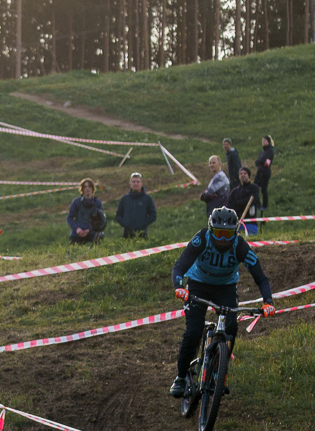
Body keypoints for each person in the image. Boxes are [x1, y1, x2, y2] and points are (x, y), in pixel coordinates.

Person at [168, 207, 274, 398]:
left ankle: (220, 370)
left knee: (231, 328)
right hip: (198, 285)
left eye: (228, 234)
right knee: (193, 332)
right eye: (218, 233)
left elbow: (261, 277)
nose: (223, 239)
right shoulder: (202, 238)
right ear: (211, 231)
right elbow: (180, 265)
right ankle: (181, 377)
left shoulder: (240, 246)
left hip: (225, 288)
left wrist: (268, 302)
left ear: (235, 232)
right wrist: (179, 287)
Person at [114, 172, 157, 237]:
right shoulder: (124, 199)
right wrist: (125, 224)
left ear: (141, 184)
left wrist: (143, 224)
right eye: (133, 182)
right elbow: (118, 215)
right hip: (127, 234)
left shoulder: (147, 199)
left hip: (142, 234)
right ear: (130, 183)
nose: (136, 184)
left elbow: (153, 215)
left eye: (138, 182)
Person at [67, 178, 106, 244]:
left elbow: (101, 221)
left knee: (99, 236)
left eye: (89, 187)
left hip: (92, 230)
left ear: (92, 189)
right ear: (82, 189)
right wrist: (77, 228)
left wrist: (90, 229)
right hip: (78, 230)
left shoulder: (98, 203)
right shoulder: (76, 202)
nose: (87, 189)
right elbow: (69, 218)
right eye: (85, 187)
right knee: (73, 240)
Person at [255, 135, 275, 212]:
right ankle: (257, 204)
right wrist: (260, 161)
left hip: (265, 172)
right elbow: (258, 161)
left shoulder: (270, 151)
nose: (263, 142)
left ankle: (264, 205)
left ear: (269, 142)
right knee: (255, 187)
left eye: (265, 140)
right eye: (262, 141)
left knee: (264, 189)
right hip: (259, 171)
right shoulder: (263, 151)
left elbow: (264, 161)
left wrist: (260, 161)